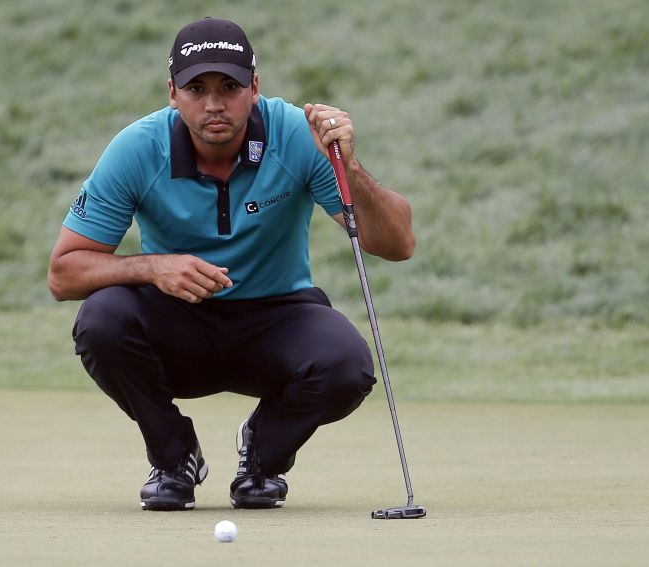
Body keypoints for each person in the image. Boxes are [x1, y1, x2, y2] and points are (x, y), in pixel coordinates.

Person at [48, 17, 415, 511]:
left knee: (346, 364)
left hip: (277, 319)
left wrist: (348, 167)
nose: (214, 104)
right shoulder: (138, 148)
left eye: (229, 87)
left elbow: (397, 244)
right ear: (173, 93)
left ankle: (262, 455)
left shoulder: (298, 135)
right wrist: (154, 268)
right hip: (178, 324)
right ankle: (174, 457)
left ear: (254, 88)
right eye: (197, 89)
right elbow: (64, 274)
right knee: (102, 320)